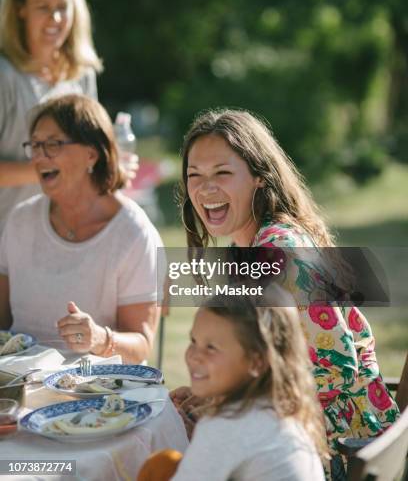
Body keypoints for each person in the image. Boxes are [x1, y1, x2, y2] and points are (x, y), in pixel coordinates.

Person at [176, 108, 399, 479]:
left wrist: (225, 404)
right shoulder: (250, 249)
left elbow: (334, 370)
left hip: (336, 448)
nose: (204, 188)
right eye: (194, 175)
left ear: (260, 178)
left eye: (222, 173)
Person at [0, 94, 161, 363]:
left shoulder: (134, 232)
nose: (39, 157)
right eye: (35, 145)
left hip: (95, 396)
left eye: (52, 144)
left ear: (92, 153)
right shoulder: (20, 219)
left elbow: (142, 345)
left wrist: (99, 339)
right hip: (20, 389)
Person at [138, 290, 327, 481]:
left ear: (256, 362)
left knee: (159, 466)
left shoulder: (223, 427)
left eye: (211, 347)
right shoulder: (282, 408)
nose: (194, 355)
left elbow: (230, 440)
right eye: (194, 341)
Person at [0, 0, 102, 235]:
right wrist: (56, 168)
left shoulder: (82, 73)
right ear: (20, 9)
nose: (55, 18)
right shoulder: (5, 76)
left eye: (63, 6)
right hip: (8, 242)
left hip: (68, 237)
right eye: (43, 7)